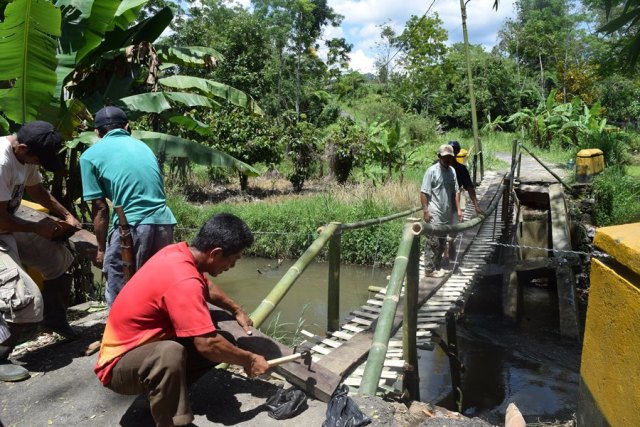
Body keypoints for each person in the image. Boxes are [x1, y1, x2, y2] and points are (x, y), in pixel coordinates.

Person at [94, 213, 269, 427]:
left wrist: (235, 308)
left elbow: (205, 285)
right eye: (233, 260)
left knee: (224, 342)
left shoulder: (178, 253)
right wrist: (249, 360)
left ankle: (164, 396)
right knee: (172, 353)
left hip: (141, 349)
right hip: (116, 366)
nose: (232, 266)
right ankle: (175, 422)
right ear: (216, 253)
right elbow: (207, 344)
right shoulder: (183, 280)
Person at [0, 121, 83, 382]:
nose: (38, 164)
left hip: (8, 217)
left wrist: (67, 215)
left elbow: (36, 190)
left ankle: (54, 319)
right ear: (22, 148)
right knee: (23, 296)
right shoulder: (1, 162)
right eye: (37, 159)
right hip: (1, 223)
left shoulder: (26, 155)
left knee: (58, 259)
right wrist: (37, 229)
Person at [80, 106, 176, 307]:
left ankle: (119, 334)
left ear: (97, 132)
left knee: (119, 285)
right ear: (127, 127)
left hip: (131, 226)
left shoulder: (89, 156)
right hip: (164, 221)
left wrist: (101, 249)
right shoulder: (142, 146)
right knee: (156, 285)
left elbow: (100, 208)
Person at [420, 144, 461, 278]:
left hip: (446, 213)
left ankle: (437, 267)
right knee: (433, 243)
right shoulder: (431, 171)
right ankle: (429, 269)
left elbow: (456, 191)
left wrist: (458, 209)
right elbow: (424, 192)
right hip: (435, 213)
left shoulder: (452, 171)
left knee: (442, 242)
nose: (447, 159)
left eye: (450, 157)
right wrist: (426, 211)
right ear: (439, 157)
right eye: (445, 157)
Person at [444, 140, 484, 263]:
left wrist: (476, 206)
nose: (453, 152)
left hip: (454, 204)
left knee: (453, 231)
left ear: (457, 152)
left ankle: (449, 249)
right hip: (439, 204)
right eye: (451, 149)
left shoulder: (461, 169)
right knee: (439, 231)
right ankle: (444, 255)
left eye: (455, 150)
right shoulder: (436, 167)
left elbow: (470, 188)